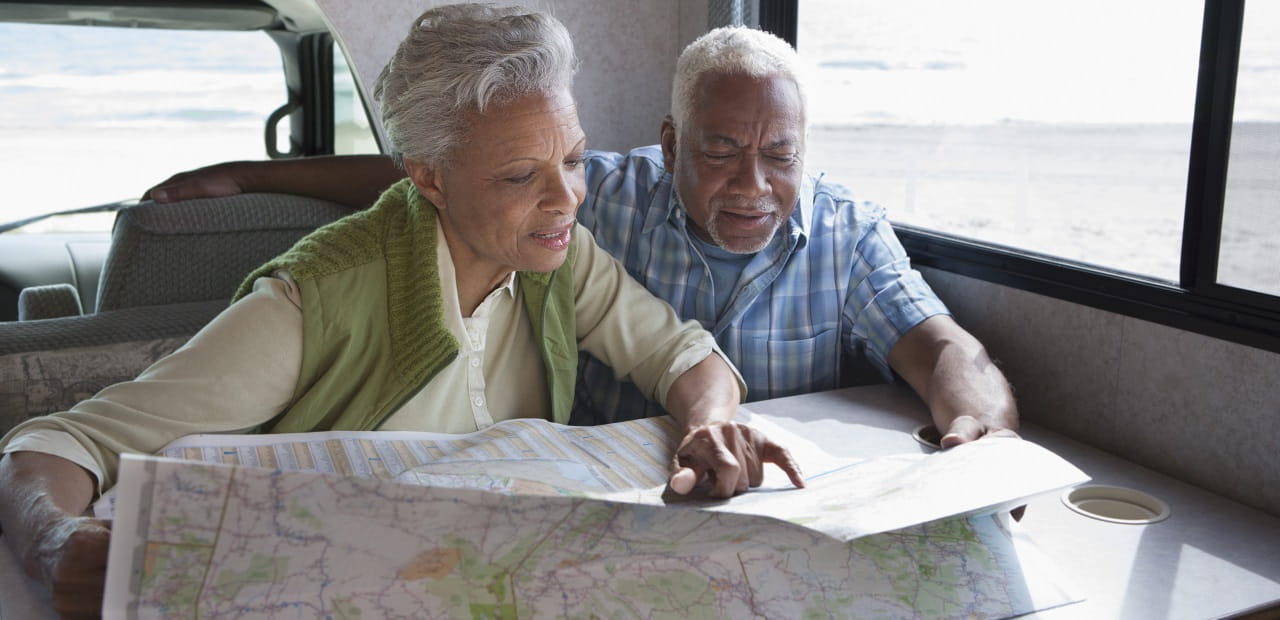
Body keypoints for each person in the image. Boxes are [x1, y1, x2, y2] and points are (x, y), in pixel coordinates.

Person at [0, 6, 805, 617]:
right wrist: (50, 539)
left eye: (571, 159)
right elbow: (55, 443)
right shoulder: (312, 303)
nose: (568, 200)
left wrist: (713, 420)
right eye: (523, 175)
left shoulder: (560, 261)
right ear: (427, 178)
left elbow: (684, 357)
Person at [148, 25, 1019, 449]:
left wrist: (983, 438)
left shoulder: (844, 232)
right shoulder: (595, 196)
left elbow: (941, 346)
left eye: (780, 157)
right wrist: (253, 174)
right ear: (671, 145)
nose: (755, 184)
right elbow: (443, 178)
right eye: (721, 151)